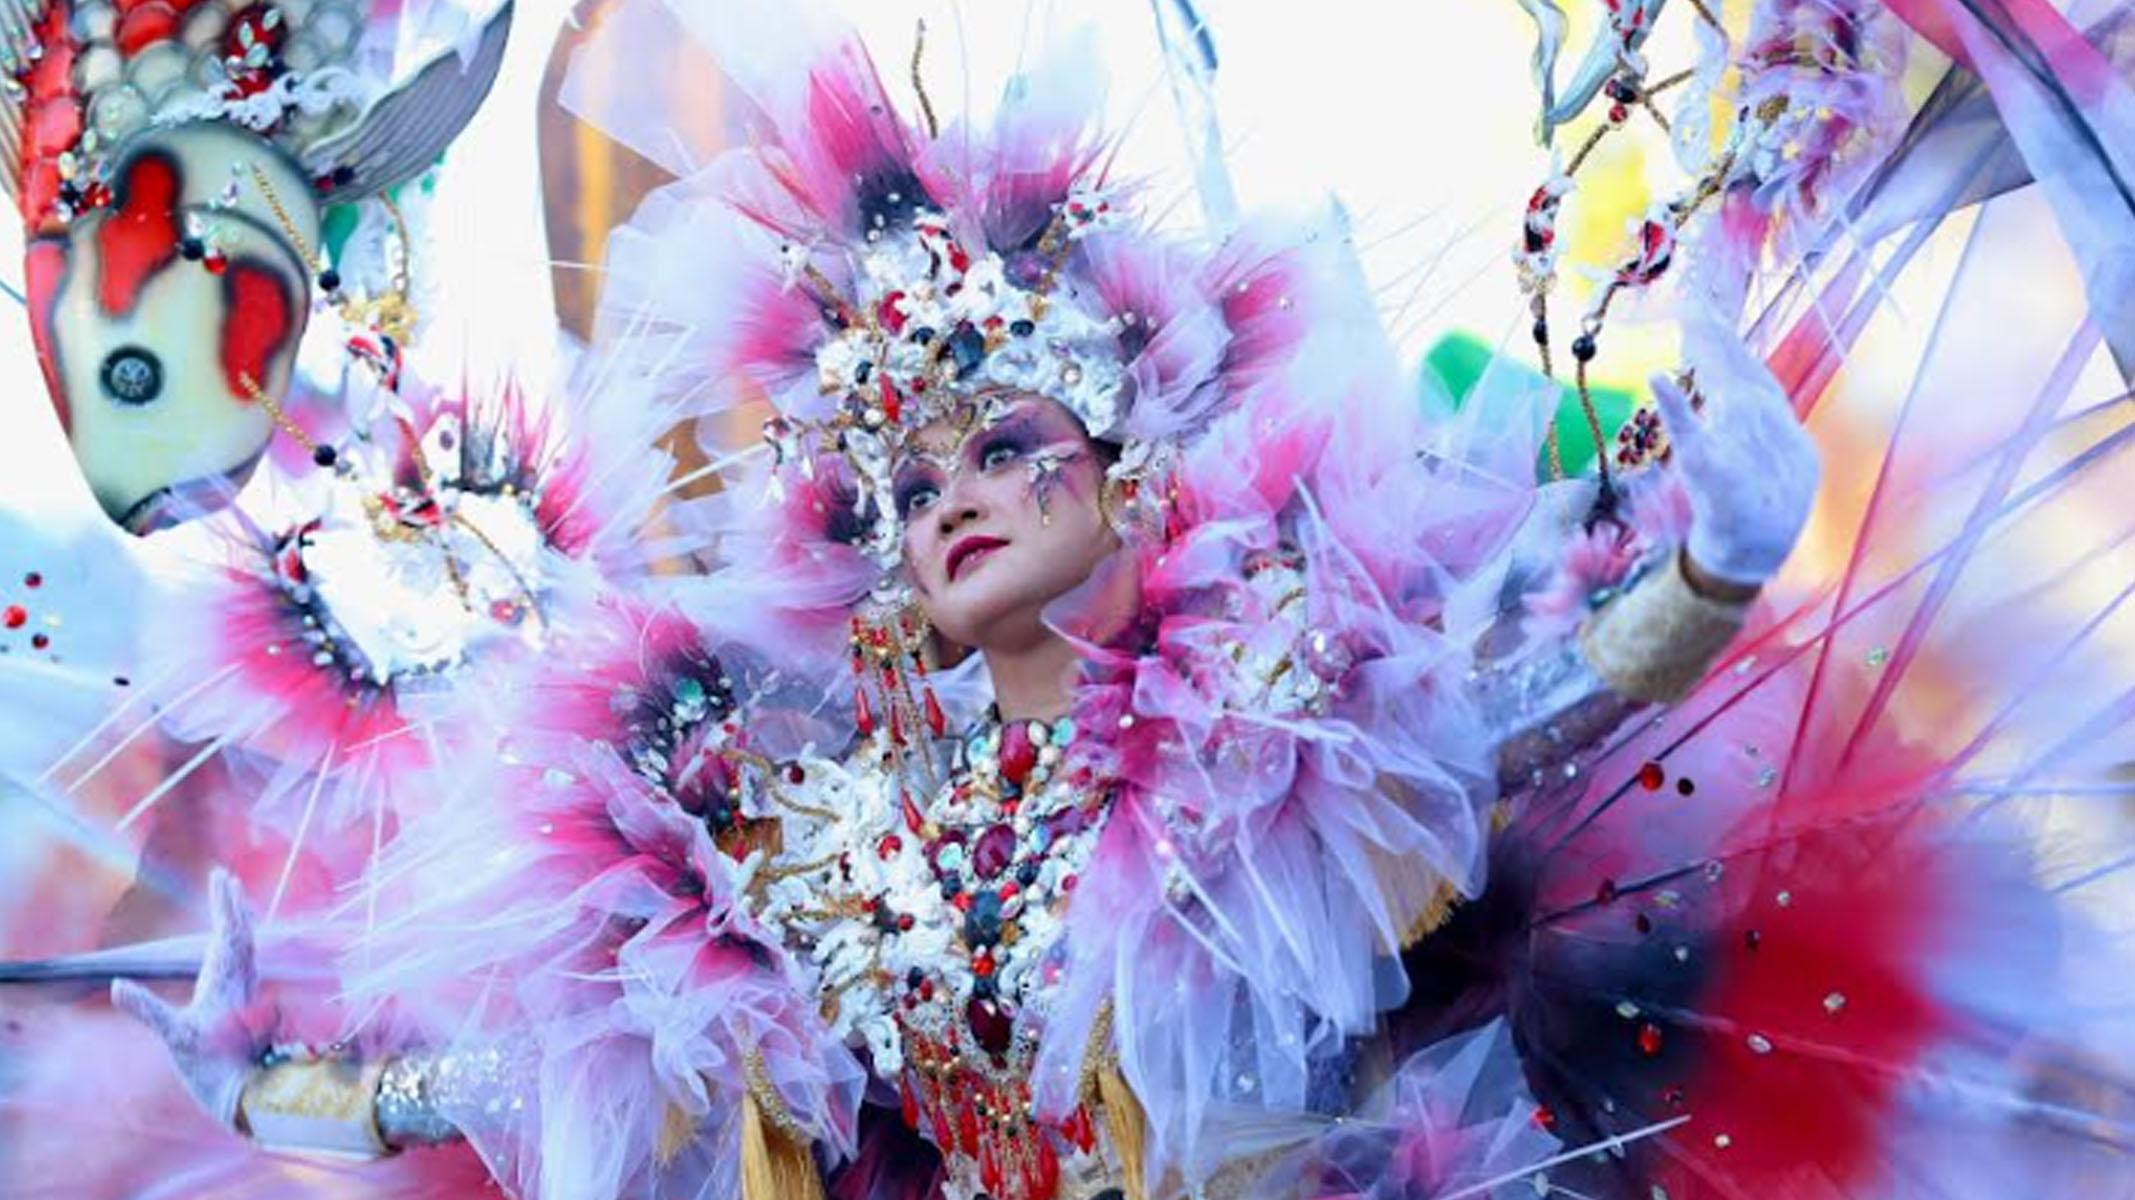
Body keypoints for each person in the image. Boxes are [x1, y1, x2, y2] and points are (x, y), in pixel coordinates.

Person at [101, 0, 2135, 1197]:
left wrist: (1714, 556)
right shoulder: (803, 837)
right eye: (902, 485)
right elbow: (540, 1066)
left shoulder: (1275, 716)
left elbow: (1512, 716)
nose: (950, 500)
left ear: (1132, 456)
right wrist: (278, 1086)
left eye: (996, 443)